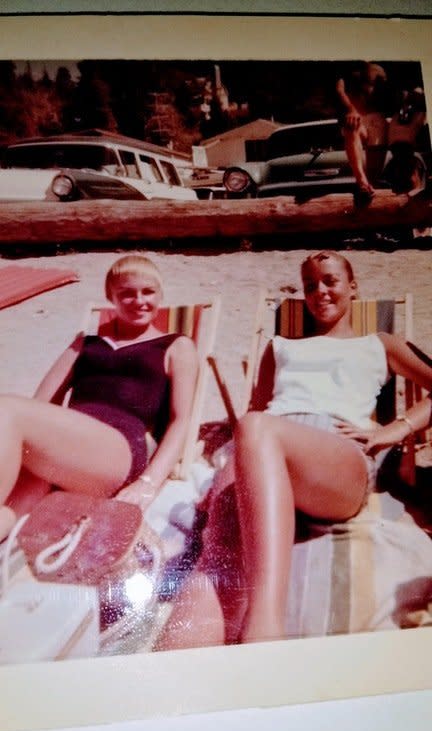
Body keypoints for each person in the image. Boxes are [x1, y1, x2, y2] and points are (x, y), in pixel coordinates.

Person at [155, 250, 432, 650]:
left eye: (330, 281)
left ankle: (265, 628)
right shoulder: (280, 346)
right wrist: (225, 472)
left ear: (353, 288)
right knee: (218, 553)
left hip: (332, 458)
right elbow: (257, 410)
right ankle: (176, 682)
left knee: (257, 428)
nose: (320, 291)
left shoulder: (380, 343)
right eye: (310, 285)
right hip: (262, 449)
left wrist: (397, 427)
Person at [0, 253, 199, 542]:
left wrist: (149, 482)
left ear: (160, 295)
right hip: (70, 448)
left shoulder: (177, 346)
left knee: (6, 408)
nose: (140, 301)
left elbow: (181, 421)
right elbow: (40, 403)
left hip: (118, 450)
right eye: (127, 294)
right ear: (111, 297)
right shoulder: (86, 343)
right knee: (10, 512)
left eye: (148, 292)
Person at [336, 61, 391, 202]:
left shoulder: (378, 69)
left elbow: (390, 92)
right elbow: (338, 89)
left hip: (377, 118)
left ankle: (369, 190)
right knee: (351, 127)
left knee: (373, 179)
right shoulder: (346, 67)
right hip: (356, 116)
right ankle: (362, 183)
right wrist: (350, 109)